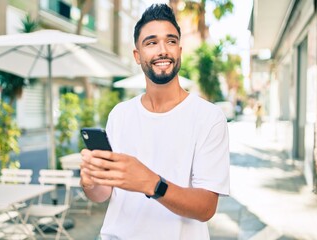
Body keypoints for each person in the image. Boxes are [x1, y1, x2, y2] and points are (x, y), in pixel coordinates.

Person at [80, 4, 230, 240]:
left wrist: (152, 183)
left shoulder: (209, 118)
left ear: (179, 50)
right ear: (137, 55)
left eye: (170, 41)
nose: (163, 50)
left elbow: (206, 208)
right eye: (151, 42)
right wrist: (90, 183)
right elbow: (103, 194)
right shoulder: (119, 114)